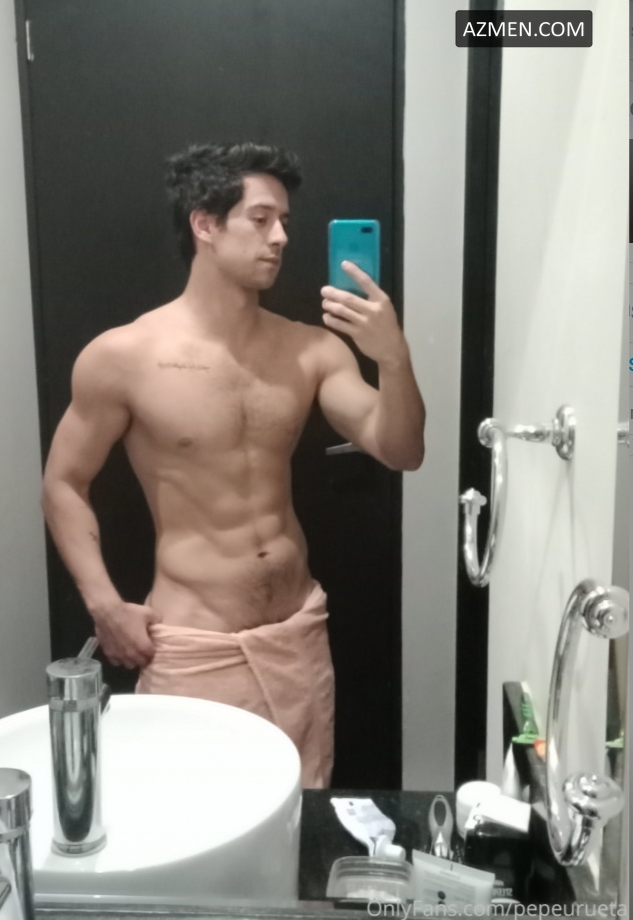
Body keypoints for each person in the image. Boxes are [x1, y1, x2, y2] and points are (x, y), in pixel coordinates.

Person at [41, 142, 425, 788]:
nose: (281, 238)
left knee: (298, 817)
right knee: (197, 825)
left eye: (285, 222)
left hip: (296, 638)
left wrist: (393, 357)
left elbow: (402, 449)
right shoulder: (125, 356)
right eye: (261, 218)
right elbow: (63, 483)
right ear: (205, 224)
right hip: (196, 650)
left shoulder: (311, 350)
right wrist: (105, 606)